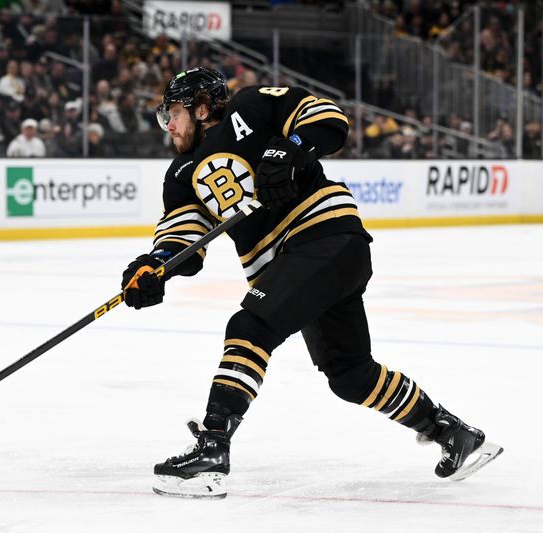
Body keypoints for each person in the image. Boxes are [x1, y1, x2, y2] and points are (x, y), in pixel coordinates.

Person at [120, 67, 503, 500]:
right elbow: (181, 240)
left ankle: (213, 448)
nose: (167, 125)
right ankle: (451, 432)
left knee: (250, 328)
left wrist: (290, 149)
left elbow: (329, 120)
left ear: (201, 108)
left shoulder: (252, 104)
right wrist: (153, 267)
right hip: (306, 264)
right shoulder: (179, 175)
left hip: (326, 236)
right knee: (351, 375)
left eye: (172, 113)